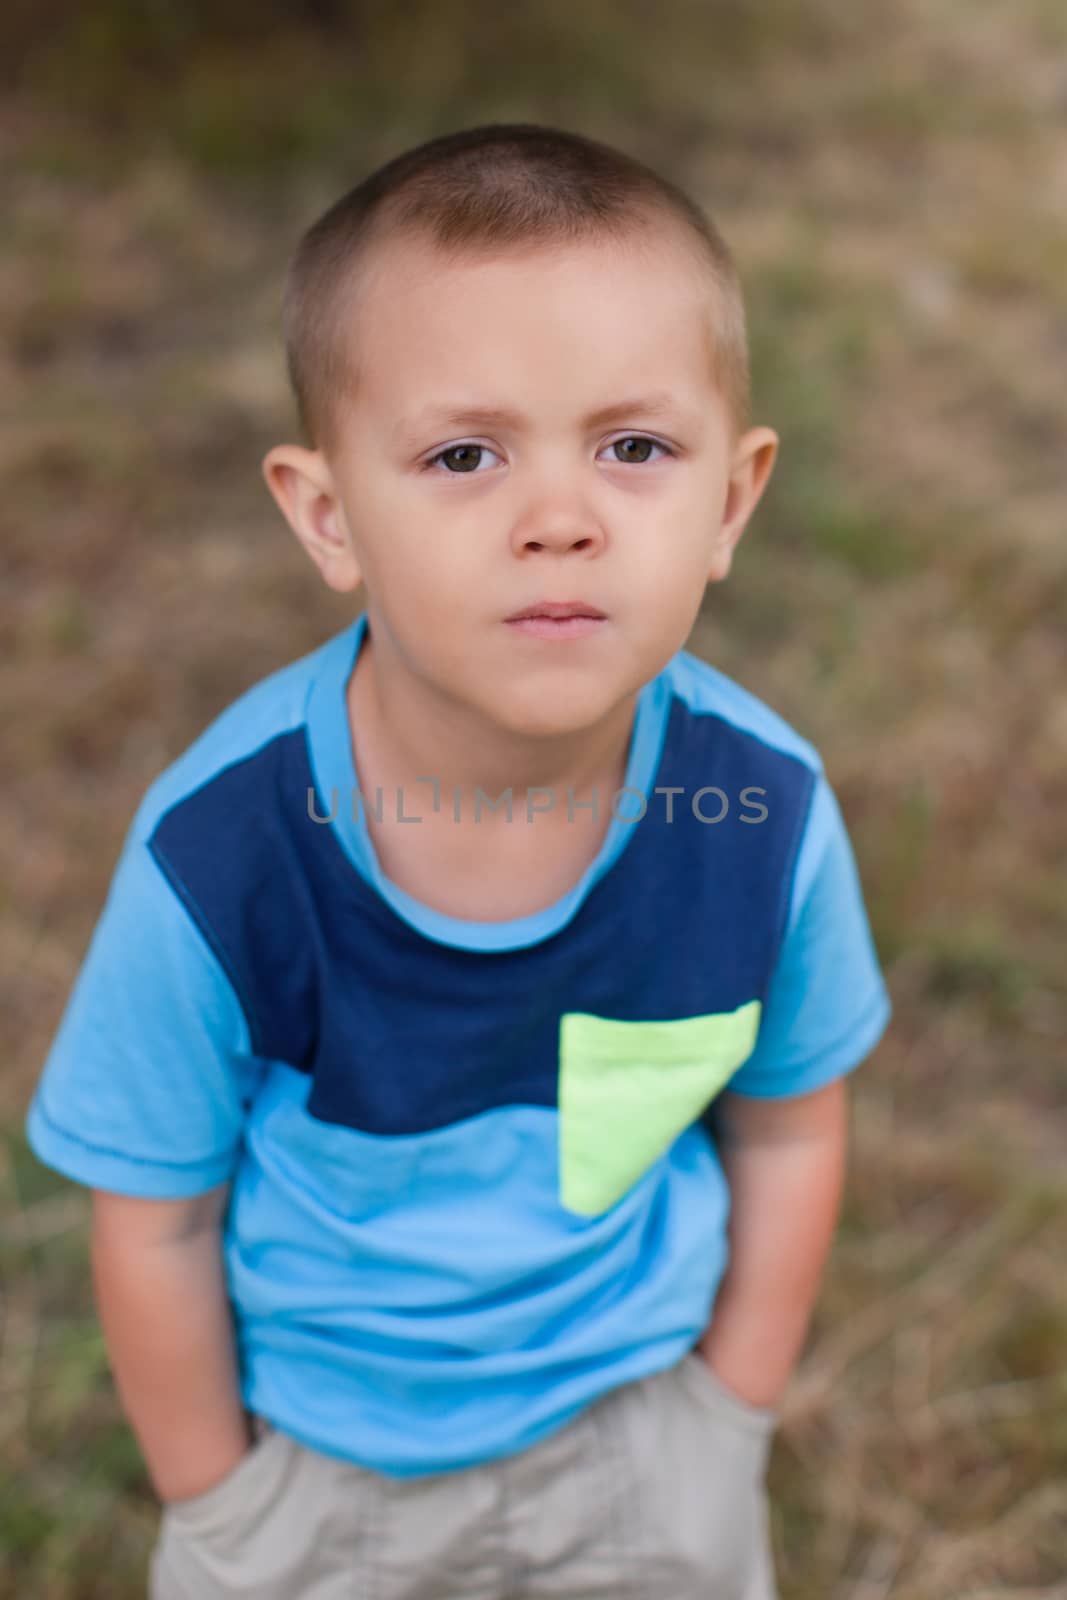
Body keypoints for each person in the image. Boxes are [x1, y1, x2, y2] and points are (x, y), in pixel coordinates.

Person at [24, 123, 892, 1600]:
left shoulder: (763, 818)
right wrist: (222, 1508)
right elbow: (156, 1214)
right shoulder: (225, 856)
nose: (558, 521)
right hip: (318, 1469)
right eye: (464, 454)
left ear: (731, 502)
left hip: (639, 1432)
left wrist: (726, 1410)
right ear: (327, 514)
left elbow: (792, 1127)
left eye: (633, 448)